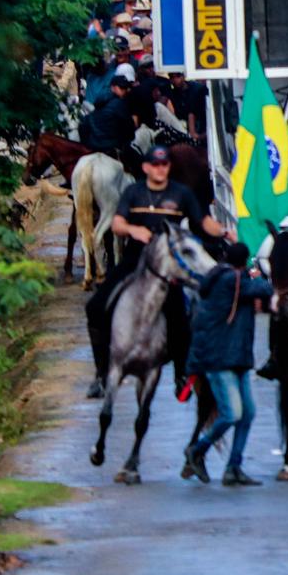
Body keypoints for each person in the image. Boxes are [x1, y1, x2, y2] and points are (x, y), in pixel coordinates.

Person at [85, 146, 234, 398]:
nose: (160, 169)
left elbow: (202, 221)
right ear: (146, 167)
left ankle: (181, 373)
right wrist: (132, 230)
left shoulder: (182, 194)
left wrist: (224, 231)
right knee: (96, 307)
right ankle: (101, 374)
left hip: (167, 264)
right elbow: (118, 223)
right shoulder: (133, 192)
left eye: (164, 165)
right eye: (155, 165)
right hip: (135, 259)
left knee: (181, 316)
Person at [181, 241, 275, 486]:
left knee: (248, 413)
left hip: (237, 357)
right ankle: (196, 450)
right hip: (220, 359)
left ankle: (234, 467)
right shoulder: (232, 280)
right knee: (232, 413)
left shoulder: (221, 277)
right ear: (243, 262)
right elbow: (265, 288)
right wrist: (257, 274)